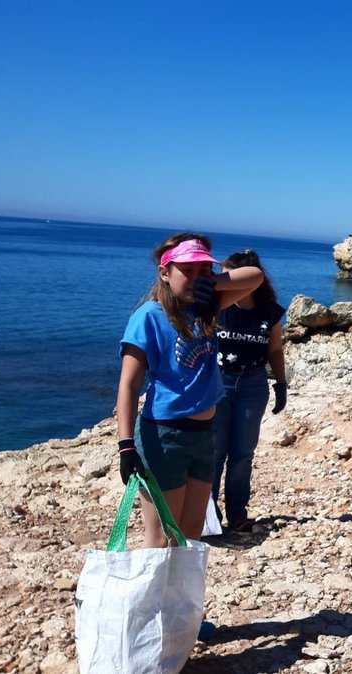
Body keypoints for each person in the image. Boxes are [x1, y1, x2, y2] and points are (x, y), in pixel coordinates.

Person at [117, 233, 264, 549]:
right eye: (187, 270)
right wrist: (125, 445)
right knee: (161, 538)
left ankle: (177, 600)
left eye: (203, 270)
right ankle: (151, 599)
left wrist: (215, 284)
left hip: (203, 436)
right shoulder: (148, 317)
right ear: (165, 272)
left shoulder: (206, 308)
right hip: (165, 436)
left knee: (191, 536)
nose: (196, 277)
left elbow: (255, 277)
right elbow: (128, 384)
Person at [210, 249, 287, 533]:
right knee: (215, 453)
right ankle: (208, 516)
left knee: (242, 454)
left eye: (230, 276)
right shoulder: (216, 307)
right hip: (218, 382)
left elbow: (275, 349)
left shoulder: (270, 310)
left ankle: (237, 515)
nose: (224, 281)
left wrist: (281, 383)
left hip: (253, 384)